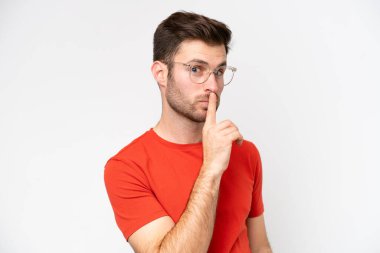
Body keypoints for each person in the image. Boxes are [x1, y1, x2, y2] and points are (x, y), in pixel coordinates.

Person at [104, 11, 272, 253]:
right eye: (196, 69)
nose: (213, 86)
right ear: (161, 74)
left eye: (219, 71)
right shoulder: (127, 167)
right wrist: (211, 169)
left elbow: (260, 246)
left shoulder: (244, 152)